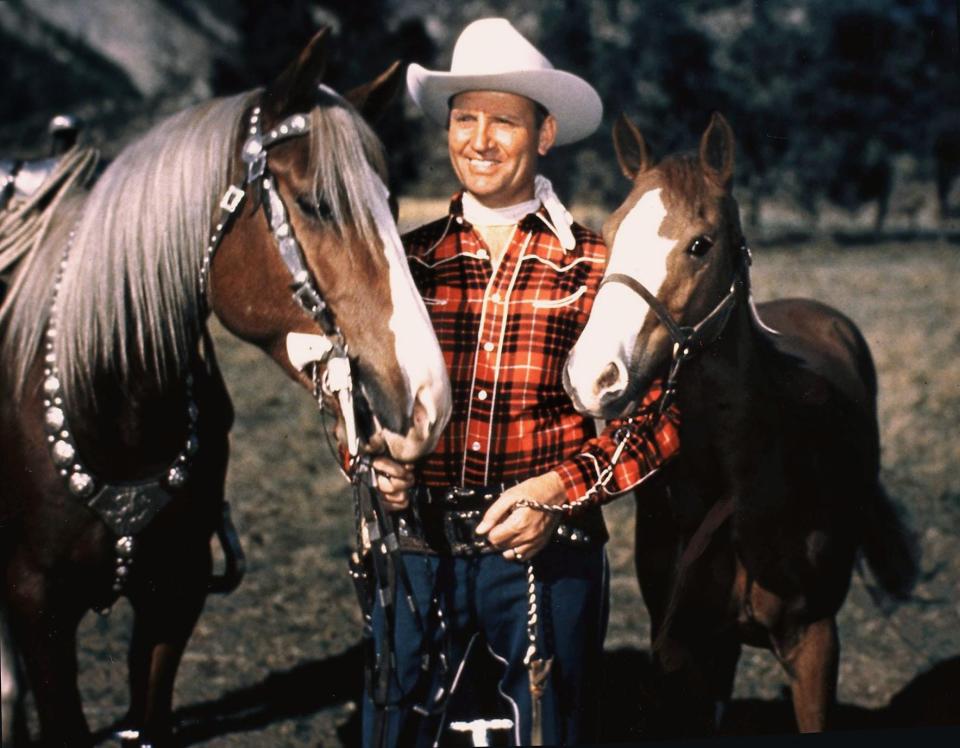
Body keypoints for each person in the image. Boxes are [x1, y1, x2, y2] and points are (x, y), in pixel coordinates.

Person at [362, 17, 680, 747]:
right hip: (417, 549)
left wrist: (558, 489)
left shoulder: (597, 265)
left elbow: (659, 421)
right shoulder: (402, 264)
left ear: (544, 134)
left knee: (542, 729)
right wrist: (374, 464)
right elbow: (355, 400)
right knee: (398, 728)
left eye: (503, 120)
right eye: (464, 118)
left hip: (548, 554)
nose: (479, 139)